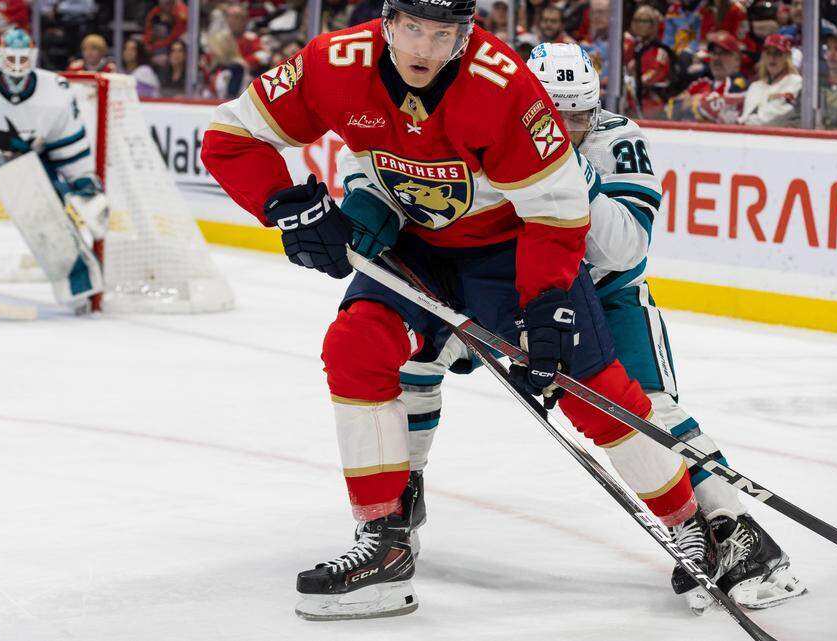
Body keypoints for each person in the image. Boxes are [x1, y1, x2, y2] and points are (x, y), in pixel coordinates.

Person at [200, 0, 712, 621]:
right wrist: (284, 205)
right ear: (387, 24)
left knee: (588, 383)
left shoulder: (504, 87)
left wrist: (549, 300)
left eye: (442, 35)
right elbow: (231, 135)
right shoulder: (333, 63)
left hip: (510, 248)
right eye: (412, 29)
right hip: (415, 245)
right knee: (355, 347)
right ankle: (383, 544)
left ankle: (686, 522)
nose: (423, 49)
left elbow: (556, 207)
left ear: (465, 35)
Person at [395, 40, 806, 613]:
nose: (566, 129)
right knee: (405, 363)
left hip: (606, 297)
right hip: (507, 294)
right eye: (553, 117)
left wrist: (572, 172)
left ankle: (734, 531)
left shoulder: (617, 141)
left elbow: (624, 247)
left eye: (579, 118)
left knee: (649, 411)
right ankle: (398, 500)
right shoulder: (483, 122)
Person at [0, 28, 102, 224]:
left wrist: (84, 185)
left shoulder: (56, 91)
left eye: (22, 59)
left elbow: (71, 154)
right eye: (10, 59)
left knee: (68, 200)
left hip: (35, 175)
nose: (16, 66)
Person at [665, 30, 748, 122]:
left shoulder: (740, 84)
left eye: (723, 53)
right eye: (714, 53)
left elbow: (728, 107)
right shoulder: (701, 84)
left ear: (737, 59)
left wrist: (695, 102)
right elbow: (671, 108)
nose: (716, 58)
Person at [739, 33, 801, 127]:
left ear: (787, 57)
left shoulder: (795, 82)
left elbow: (776, 116)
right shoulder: (755, 86)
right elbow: (745, 116)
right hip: (750, 136)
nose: (772, 58)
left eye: (778, 53)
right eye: (768, 53)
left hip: (781, 138)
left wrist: (744, 123)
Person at [143, 0, 188, 66]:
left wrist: (180, 5)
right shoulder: (153, 14)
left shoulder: (180, 11)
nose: (167, 1)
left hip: (176, 47)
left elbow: (188, 18)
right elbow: (148, 38)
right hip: (159, 50)